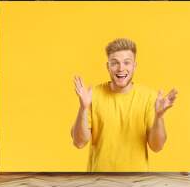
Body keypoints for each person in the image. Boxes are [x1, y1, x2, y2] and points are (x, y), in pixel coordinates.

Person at [71, 38, 177, 172]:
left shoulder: (149, 97)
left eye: (127, 62)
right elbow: (79, 142)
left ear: (134, 66)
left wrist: (159, 116)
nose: (121, 68)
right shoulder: (93, 95)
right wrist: (83, 108)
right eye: (115, 63)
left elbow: (157, 147)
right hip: (99, 181)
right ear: (108, 66)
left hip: (136, 182)